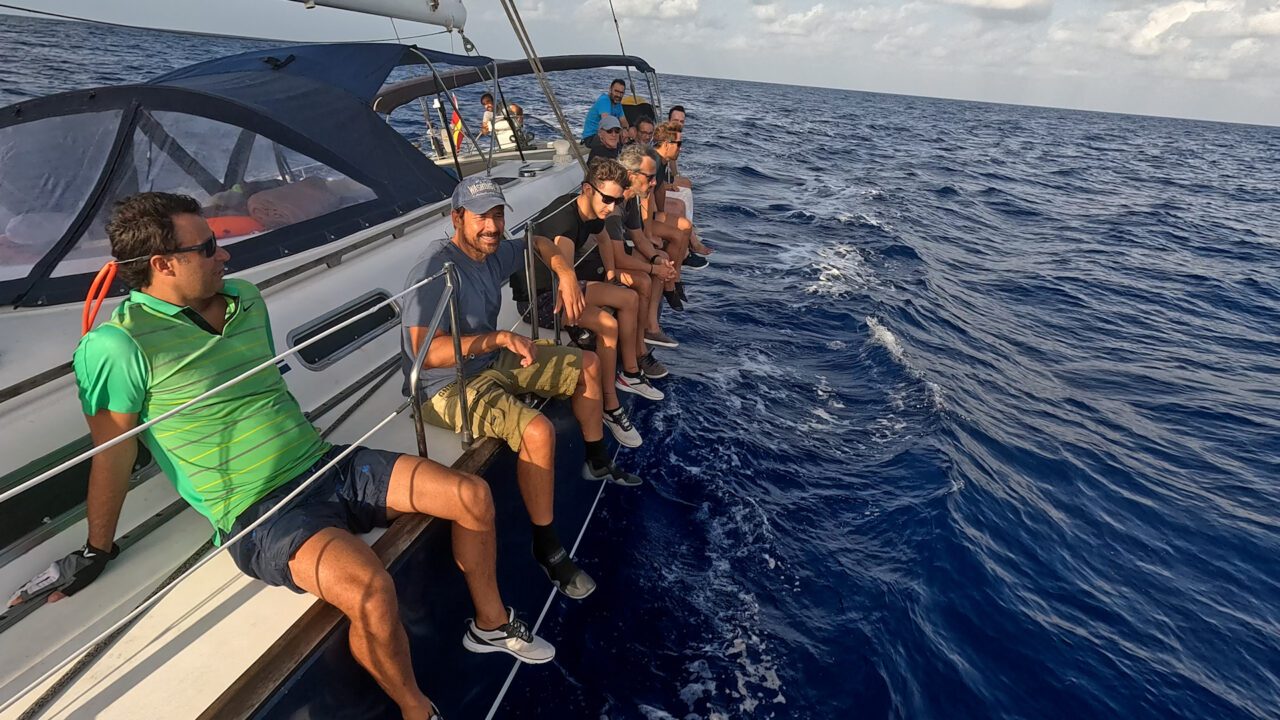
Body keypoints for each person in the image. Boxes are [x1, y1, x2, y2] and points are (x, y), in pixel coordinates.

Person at [6, 192, 549, 720]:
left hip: (322, 464)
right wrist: (96, 549)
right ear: (162, 264)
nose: (225, 254)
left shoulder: (246, 299)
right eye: (208, 247)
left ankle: (491, 624)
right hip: (259, 513)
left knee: (470, 495)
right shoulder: (117, 347)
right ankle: (416, 709)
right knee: (369, 588)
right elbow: (113, 454)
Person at [401, 177, 646, 598]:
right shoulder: (433, 270)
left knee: (587, 363)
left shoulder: (493, 251)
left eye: (498, 215)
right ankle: (547, 546)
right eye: (482, 217)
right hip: (441, 388)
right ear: (456, 218)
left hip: (489, 357)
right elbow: (425, 352)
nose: (493, 226)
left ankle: (597, 460)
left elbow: (538, 242)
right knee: (537, 431)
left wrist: (565, 271)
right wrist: (496, 338)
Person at [526, 160, 663, 428]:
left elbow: (601, 238)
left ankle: (631, 374)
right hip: (542, 300)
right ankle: (610, 405)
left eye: (616, 200)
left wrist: (610, 273)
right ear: (588, 189)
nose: (611, 208)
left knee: (630, 297)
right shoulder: (566, 223)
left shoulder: (589, 212)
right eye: (607, 199)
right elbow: (563, 274)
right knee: (608, 324)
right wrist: (574, 316)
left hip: (563, 287)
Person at [613, 143, 680, 361]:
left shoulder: (631, 198)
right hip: (598, 264)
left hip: (613, 256)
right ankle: (638, 350)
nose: (653, 183)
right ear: (631, 175)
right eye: (649, 177)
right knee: (643, 280)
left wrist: (657, 259)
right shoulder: (612, 205)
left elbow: (639, 238)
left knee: (663, 259)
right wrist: (654, 268)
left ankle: (651, 327)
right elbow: (617, 258)